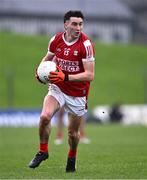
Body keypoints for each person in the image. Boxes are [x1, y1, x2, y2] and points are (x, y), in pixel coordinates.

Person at [29, 10, 95, 172]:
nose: (78, 27)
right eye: (74, 23)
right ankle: (43, 151)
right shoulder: (56, 39)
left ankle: (72, 157)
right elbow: (47, 59)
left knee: (72, 133)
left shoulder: (86, 45)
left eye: (80, 24)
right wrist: (39, 71)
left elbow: (90, 75)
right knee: (45, 116)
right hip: (58, 87)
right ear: (66, 24)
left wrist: (65, 77)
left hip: (78, 93)